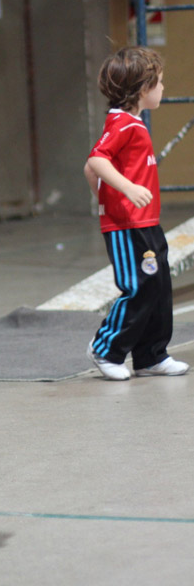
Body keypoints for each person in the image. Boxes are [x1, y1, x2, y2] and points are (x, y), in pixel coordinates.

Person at [84, 46, 189, 381]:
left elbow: (91, 171)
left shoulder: (133, 123)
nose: (163, 88)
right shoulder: (122, 124)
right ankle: (105, 349)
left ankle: (151, 355)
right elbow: (95, 161)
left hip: (145, 222)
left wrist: (107, 196)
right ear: (143, 88)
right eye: (160, 82)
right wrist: (124, 192)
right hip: (127, 226)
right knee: (139, 287)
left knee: (158, 286)